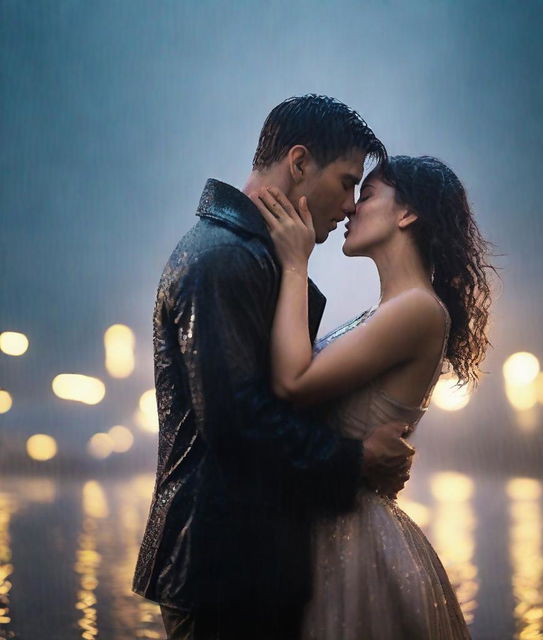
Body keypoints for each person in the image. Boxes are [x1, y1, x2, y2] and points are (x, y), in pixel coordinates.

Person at [131, 95, 416, 639]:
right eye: (347, 181)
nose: (351, 205)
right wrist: (355, 460)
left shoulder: (251, 257)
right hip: (220, 566)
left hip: (240, 560)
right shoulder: (224, 259)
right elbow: (237, 423)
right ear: (300, 163)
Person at [251, 154, 496, 639]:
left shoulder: (418, 311)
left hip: (356, 543)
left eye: (366, 197)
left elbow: (294, 384)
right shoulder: (388, 311)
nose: (350, 209)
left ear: (407, 214)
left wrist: (296, 263)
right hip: (332, 526)